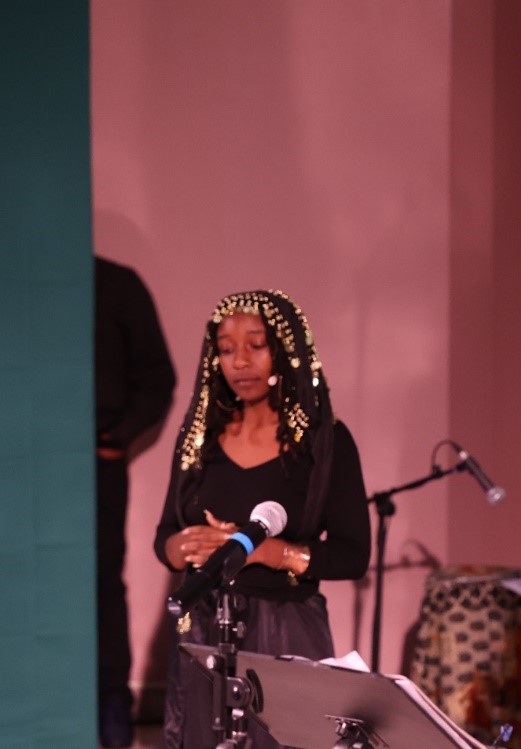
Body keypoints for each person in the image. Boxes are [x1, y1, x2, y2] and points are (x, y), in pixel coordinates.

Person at [154, 289, 371, 748]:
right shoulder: (200, 437)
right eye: (226, 349)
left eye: (256, 344)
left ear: (285, 350)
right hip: (205, 627)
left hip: (286, 628)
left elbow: (353, 555)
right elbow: (164, 539)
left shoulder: (325, 442)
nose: (239, 361)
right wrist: (188, 545)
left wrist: (263, 551)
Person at [94, 256, 177, 748]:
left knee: (100, 582)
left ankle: (108, 716)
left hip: (91, 465)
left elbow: (156, 376)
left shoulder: (115, 283)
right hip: (19, 463)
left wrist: (116, 437)